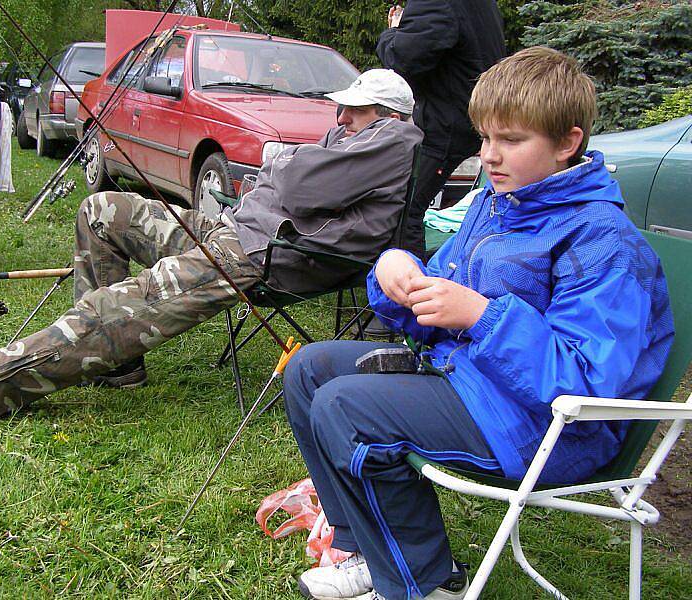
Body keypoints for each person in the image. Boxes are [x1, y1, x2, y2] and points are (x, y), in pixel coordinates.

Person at [283, 47, 674, 600]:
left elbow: (589, 380)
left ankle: (424, 585)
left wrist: (483, 317)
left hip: (550, 429)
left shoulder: (602, 241)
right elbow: (437, 299)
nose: (489, 156)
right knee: (309, 370)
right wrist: (397, 276)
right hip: (469, 377)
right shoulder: (497, 203)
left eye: (511, 141)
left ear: (568, 142)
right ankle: (367, 551)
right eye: (486, 137)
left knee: (348, 409)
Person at [0, 68, 423, 420]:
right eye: (345, 108)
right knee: (103, 210)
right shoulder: (355, 136)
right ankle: (119, 363)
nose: (342, 117)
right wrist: (283, 170)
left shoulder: (393, 139)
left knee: (116, 308)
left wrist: (282, 166)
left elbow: (297, 182)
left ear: (390, 114)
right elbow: (287, 179)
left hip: (264, 257)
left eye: (357, 109)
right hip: (236, 231)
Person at [376, 0, 505, 260]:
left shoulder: (436, 2)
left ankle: (410, 293)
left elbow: (402, 59)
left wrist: (393, 32)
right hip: (473, 114)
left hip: (447, 123)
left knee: (404, 208)